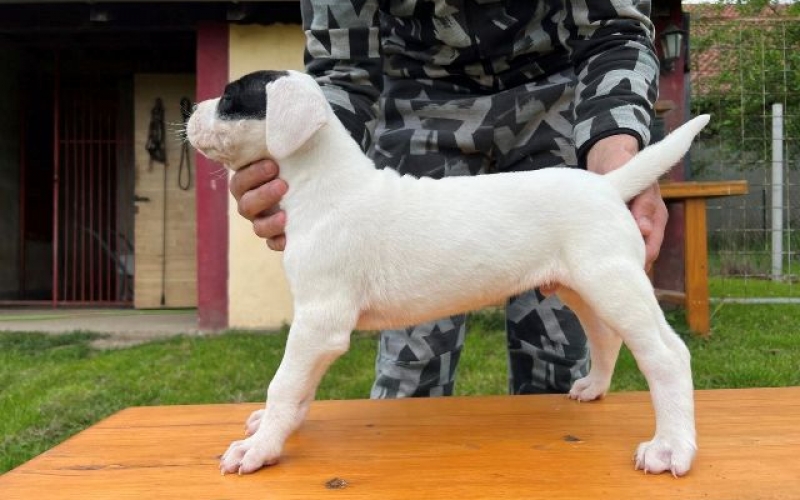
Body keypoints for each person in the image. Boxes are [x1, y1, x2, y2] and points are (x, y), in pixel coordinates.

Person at [229, 1, 667, 398]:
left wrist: (617, 150)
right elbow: (342, 68)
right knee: (412, 357)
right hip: (418, 105)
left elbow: (614, 30)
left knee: (558, 346)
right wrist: (303, 170)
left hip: (557, 96)